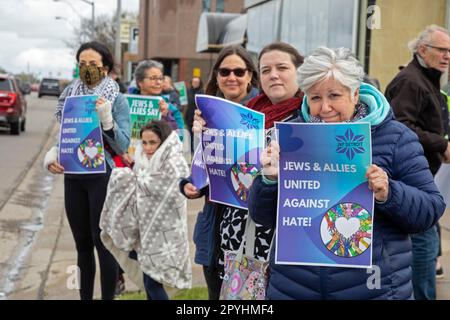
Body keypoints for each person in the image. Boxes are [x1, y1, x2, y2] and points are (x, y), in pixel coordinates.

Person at [248, 46, 445, 300]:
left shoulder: (394, 137)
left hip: (374, 287)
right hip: (295, 286)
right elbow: (261, 216)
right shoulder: (290, 135)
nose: (325, 107)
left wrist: (388, 192)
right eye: (315, 98)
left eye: (334, 95)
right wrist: (269, 180)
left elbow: (429, 209)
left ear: (354, 94)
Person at [184, 42, 305, 299]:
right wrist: (200, 152)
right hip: (230, 234)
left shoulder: (310, 118)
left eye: (282, 68)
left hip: (279, 241)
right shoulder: (248, 114)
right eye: (267, 69)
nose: (273, 74)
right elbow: (210, 168)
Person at [43, 41, 131, 300]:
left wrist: (106, 118)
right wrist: (51, 156)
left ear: (105, 67)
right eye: (82, 64)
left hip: (102, 176)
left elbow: (123, 143)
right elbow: (67, 136)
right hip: (74, 177)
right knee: (82, 245)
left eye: (93, 64)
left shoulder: (117, 98)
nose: (87, 69)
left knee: (103, 243)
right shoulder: (70, 97)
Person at [179, 45, 260, 300]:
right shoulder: (205, 112)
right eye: (225, 71)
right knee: (216, 295)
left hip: (250, 226)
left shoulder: (263, 113)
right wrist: (189, 185)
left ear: (250, 76)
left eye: (239, 71)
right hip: (214, 222)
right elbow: (201, 168)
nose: (232, 77)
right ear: (216, 76)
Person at [385, 25, 450, 300]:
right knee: (423, 259)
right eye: (442, 50)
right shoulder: (411, 81)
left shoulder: (427, 79)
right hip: (409, 185)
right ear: (422, 50)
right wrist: (441, 144)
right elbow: (400, 126)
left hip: (422, 183)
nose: (448, 55)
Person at [100, 120, 191, 300]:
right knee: (150, 280)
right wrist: (131, 174)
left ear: (164, 141)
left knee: (153, 283)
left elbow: (164, 187)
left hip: (166, 233)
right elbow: (141, 182)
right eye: (144, 142)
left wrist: (129, 177)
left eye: (153, 142)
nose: (148, 147)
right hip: (144, 231)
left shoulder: (175, 161)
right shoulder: (142, 159)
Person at [131, 60, 185, 141]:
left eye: (160, 78)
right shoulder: (126, 104)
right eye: (153, 78)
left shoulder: (171, 110)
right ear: (140, 82)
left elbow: (179, 138)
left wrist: (166, 117)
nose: (159, 82)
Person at [185, 77, 204, 154]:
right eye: (194, 82)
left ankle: (196, 148)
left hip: (198, 115)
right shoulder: (188, 91)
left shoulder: (202, 92)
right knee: (189, 132)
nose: (195, 83)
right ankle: (190, 148)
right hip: (189, 114)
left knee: (196, 133)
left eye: (197, 82)